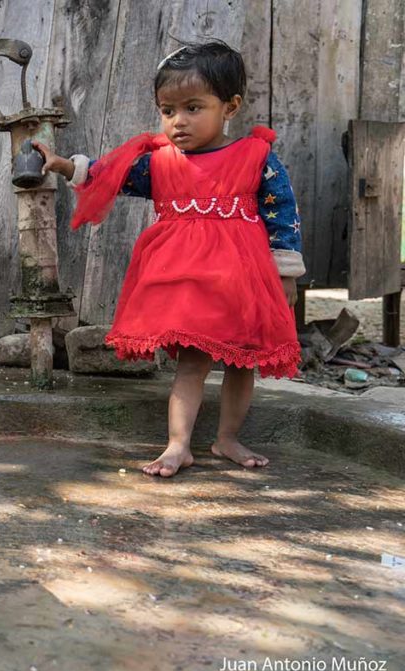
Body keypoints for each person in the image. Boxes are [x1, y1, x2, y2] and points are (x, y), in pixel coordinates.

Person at [33, 41, 304, 478]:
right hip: (187, 280)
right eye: (168, 110)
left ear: (230, 106)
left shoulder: (257, 157)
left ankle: (227, 437)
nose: (178, 121)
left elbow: (283, 214)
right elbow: (111, 175)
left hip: (242, 279)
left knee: (241, 360)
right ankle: (178, 445)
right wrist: (68, 166)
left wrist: (285, 272)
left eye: (194, 107)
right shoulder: (159, 162)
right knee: (193, 362)